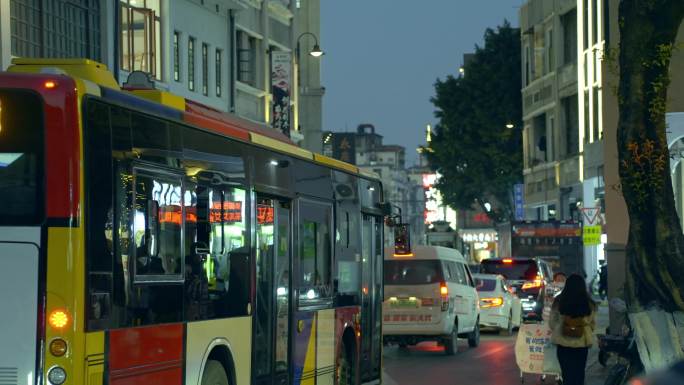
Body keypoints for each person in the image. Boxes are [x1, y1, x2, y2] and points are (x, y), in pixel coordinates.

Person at [549, 274, 597, 385]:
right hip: (581, 344)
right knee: (579, 374)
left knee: (567, 375)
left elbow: (552, 323)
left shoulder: (559, 300)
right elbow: (593, 325)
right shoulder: (589, 303)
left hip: (563, 344)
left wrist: (560, 327)